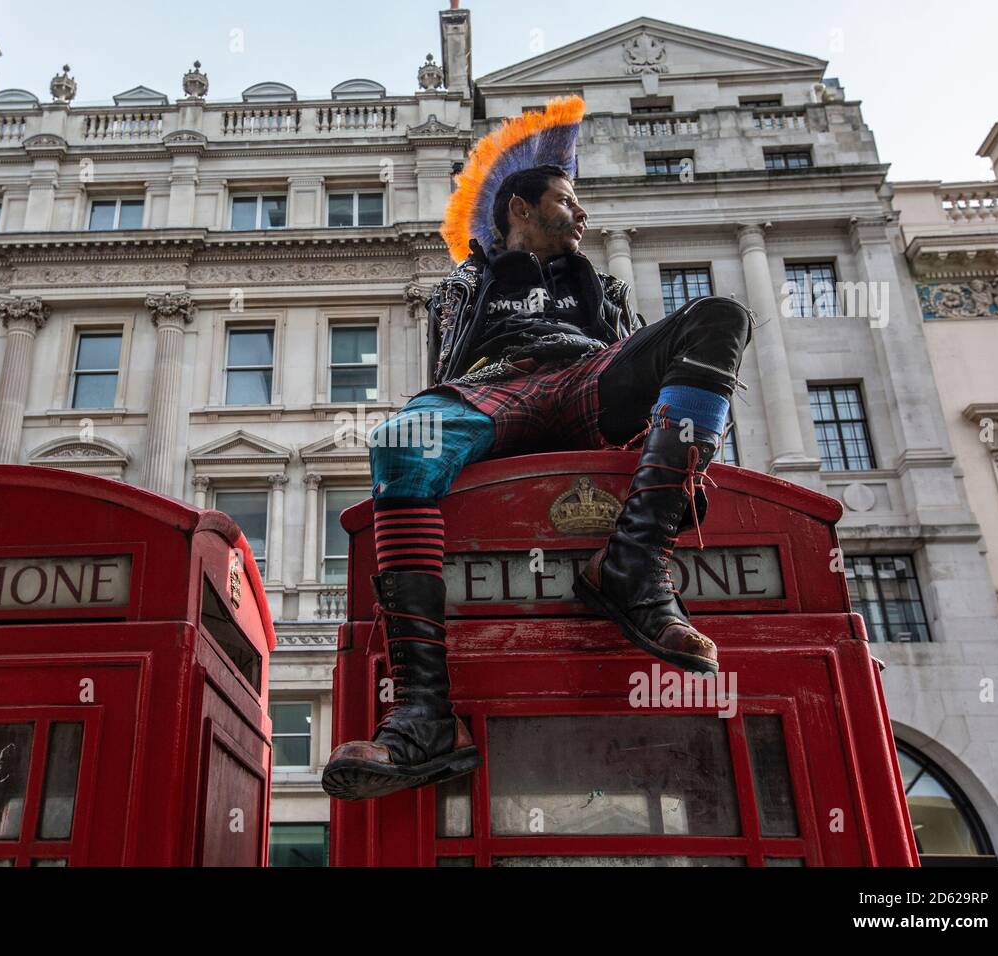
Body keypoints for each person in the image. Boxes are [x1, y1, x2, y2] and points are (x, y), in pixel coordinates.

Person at [321, 108, 751, 803]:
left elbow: (651, 373)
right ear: (522, 207)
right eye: (567, 200)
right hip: (492, 385)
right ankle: (425, 713)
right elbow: (442, 362)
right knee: (401, 439)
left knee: (720, 316)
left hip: (589, 377)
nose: (581, 215)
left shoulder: (603, 289)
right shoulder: (470, 280)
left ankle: (632, 567)